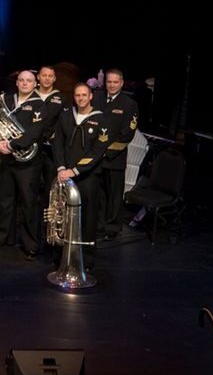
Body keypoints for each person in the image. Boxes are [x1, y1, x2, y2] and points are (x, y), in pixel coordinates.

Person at [0, 70, 46, 261]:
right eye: (21, 80)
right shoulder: (7, 100)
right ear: (17, 83)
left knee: (29, 203)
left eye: (29, 81)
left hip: (29, 162)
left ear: (35, 84)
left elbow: (35, 132)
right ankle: (4, 236)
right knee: (6, 200)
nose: (25, 83)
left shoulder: (39, 105)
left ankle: (31, 244)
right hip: (8, 159)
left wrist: (12, 144)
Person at [53, 83, 111, 268]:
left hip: (88, 177)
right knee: (62, 216)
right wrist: (61, 168)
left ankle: (86, 259)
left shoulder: (101, 119)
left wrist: (75, 170)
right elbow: (57, 144)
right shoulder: (66, 116)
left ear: (91, 96)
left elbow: (98, 151)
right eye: (77, 95)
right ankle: (62, 256)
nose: (81, 98)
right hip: (64, 174)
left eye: (84, 95)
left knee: (87, 218)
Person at [93, 68, 139, 239]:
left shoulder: (129, 104)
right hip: (95, 158)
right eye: (109, 82)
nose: (112, 85)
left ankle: (112, 227)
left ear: (121, 83)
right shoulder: (96, 98)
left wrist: (105, 152)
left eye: (115, 82)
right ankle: (99, 225)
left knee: (114, 195)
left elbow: (127, 134)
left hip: (114, 158)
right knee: (99, 194)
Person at [36, 65, 67, 192]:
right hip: (29, 147)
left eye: (50, 76)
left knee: (50, 185)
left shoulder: (61, 99)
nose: (47, 78)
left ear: (54, 79)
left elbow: (64, 124)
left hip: (50, 149)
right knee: (29, 185)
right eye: (44, 75)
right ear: (38, 77)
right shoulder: (30, 95)